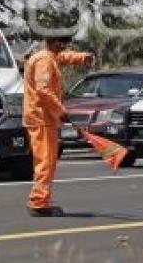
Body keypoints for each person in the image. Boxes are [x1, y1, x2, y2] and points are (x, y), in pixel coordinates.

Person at [23, 34, 94, 217]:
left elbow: (63, 58)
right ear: (54, 43)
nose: (65, 47)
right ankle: (39, 203)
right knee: (45, 161)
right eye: (63, 43)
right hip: (42, 118)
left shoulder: (48, 56)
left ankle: (41, 199)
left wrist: (81, 57)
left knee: (48, 161)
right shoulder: (44, 61)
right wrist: (61, 111)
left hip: (43, 118)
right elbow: (43, 91)